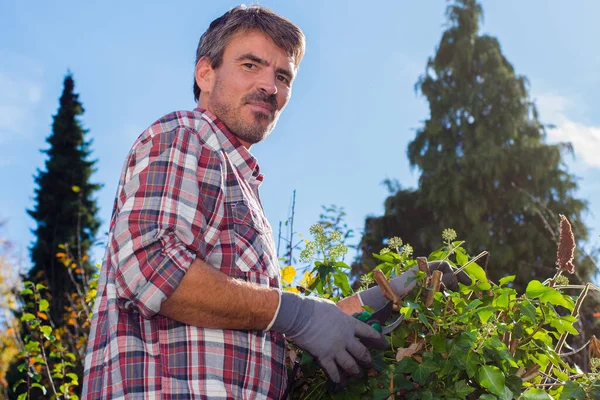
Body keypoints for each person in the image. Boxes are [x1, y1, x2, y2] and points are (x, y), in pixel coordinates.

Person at [82, 5, 471, 399]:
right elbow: (151, 267)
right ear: (205, 73)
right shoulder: (186, 135)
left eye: (282, 76)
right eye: (251, 65)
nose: (270, 86)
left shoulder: (241, 183)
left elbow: (274, 323)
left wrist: (388, 296)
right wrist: (298, 314)